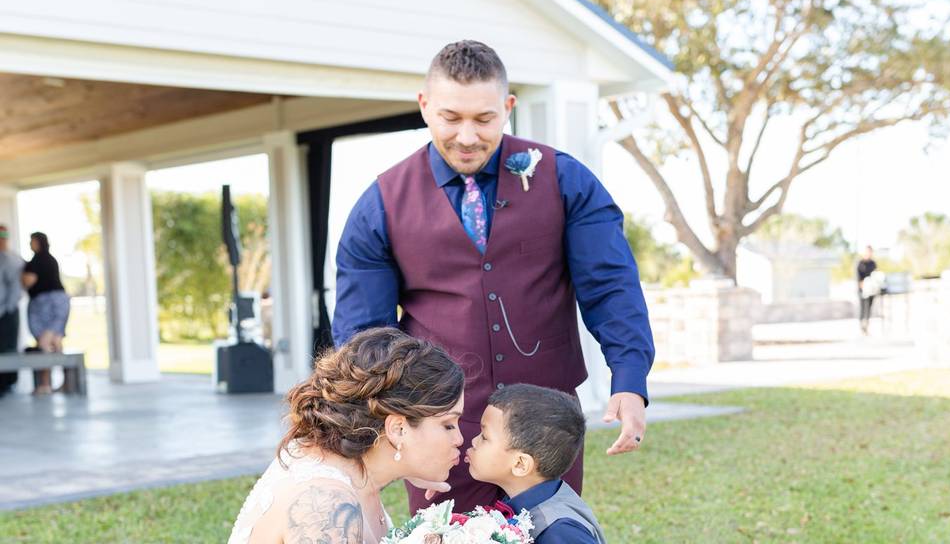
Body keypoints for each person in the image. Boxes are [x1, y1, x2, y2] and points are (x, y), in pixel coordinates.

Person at [333, 40, 655, 513]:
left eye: (484, 119)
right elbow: (365, 334)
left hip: (546, 422)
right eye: (451, 117)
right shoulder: (380, 203)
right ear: (425, 106)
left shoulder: (566, 180)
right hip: (437, 427)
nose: (467, 136)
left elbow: (611, 285)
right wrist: (376, 428)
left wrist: (629, 379)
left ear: (508, 108)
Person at [229, 327, 465, 544]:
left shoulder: (351, 470)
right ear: (398, 429)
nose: (460, 439)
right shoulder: (326, 505)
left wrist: (405, 465)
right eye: (448, 425)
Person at [465, 384, 606, 543]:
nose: (473, 441)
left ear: (520, 464)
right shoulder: (518, 502)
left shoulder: (560, 531)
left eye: (484, 437)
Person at [22, 232, 71, 394]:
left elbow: (28, 281)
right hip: (61, 301)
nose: (30, 244)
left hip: (45, 303)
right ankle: (67, 382)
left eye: (32, 241)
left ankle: (44, 384)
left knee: (44, 341)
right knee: (56, 341)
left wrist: (21, 275)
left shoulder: (37, 260)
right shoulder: (51, 259)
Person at [0, 225, 24, 396]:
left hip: (7, 312)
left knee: (8, 348)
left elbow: (15, 288)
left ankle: (7, 383)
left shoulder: (11, 259)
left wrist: (7, 309)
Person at [857, 245, 879, 334]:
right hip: (862, 290)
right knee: (863, 308)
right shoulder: (860, 263)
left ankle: (867, 325)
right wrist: (863, 287)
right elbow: (858, 278)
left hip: (871, 290)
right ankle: (862, 326)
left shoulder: (873, 263)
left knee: (869, 308)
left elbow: (876, 275)